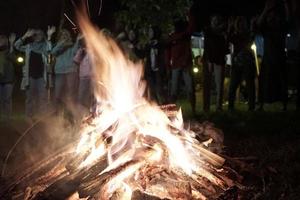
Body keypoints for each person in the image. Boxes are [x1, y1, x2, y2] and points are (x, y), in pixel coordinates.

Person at [14, 27, 55, 120]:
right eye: (35, 34)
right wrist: (24, 36)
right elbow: (16, 46)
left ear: (42, 36)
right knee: (29, 98)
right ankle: (29, 116)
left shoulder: (45, 46)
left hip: (41, 77)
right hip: (30, 77)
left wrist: (49, 36)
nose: (37, 36)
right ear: (33, 36)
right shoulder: (29, 46)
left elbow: (50, 49)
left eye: (40, 34)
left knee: (42, 98)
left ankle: (42, 117)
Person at [255, 0, 288, 111]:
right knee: (264, 81)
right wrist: (266, 9)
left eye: (274, 16)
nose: (272, 18)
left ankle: (284, 105)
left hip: (280, 58)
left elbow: (288, 20)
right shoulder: (266, 29)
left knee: (282, 81)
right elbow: (258, 23)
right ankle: (261, 105)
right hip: (268, 58)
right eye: (270, 16)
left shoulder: (281, 27)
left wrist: (286, 5)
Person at [166, 18, 195, 114]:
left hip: (185, 65)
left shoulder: (185, 36)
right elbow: (168, 51)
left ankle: (193, 110)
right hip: (177, 65)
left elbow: (187, 50)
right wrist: (168, 65)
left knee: (189, 88)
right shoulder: (173, 37)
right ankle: (171, 110)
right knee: (175, 89)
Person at [227, 16, 257, 111]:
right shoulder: (235, 35)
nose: (241, 25)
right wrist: (230, 27)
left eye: (242, 23)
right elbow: (228, 38)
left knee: (250, 85)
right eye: (239, 23)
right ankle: (231, 107)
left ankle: (251, 107)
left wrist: (252, 25)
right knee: (233, 86)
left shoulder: (248, 34)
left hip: (247, 63)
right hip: (237, 63)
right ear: (237, 25)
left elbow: (252, 37)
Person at [50, 29, 81, 114]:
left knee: (71, 92)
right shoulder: (57, 45)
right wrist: (61, 44)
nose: (65, 36)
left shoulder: (72, 45)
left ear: (69, 36)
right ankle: (56, 111)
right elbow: (53, 52)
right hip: (60, 71)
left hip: (71, 71)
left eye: (66, 34)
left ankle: (70, 111)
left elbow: (75, 52)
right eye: (63, 34)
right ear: (60, 37)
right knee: (57, 93)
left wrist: (77, 41)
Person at [202, 15, 228, 112]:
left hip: (219, 60)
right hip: (209, 60)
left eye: (217, 20)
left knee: (219, 85)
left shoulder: (222, 33)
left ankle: (218, 107)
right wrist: (209, 61)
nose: (216, 21)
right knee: (207, 85)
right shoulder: (208, 31)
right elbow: (207, 46)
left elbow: (224, 47)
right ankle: (206, 108)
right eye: (214, 20)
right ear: (211, 21)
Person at [145, 26, 163, 103]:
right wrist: (134, 48)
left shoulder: (160, 44)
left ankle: (162, 104)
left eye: (151, 31)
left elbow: (162, 56)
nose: (149, 33)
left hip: (158, 70)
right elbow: (143, 54)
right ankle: (156, 105)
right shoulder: (148, 45)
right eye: (149, 32)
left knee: (159, 89)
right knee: (152, 89)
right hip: (150, 71)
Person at [73, 41, 93, 111]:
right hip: (83, 77)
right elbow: (76, 60)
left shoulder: (94, 50)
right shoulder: (82, 51)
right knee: (81, 96)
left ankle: (91, 111)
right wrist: (81, 51)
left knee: (91, 96)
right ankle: (80, 112)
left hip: (93, 77)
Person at [0, 33, 16, 120]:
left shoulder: (8, 51)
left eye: (2, 40)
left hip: (8, 80)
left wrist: (12, 44)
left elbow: (13, 57)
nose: (0, 42)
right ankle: (2, 116)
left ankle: (8, 117)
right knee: (1, 99)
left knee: (7, 99)